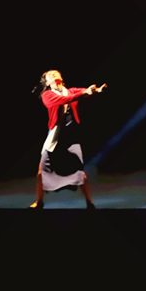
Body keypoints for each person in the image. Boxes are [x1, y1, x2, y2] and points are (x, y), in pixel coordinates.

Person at [31, 70, 106, 209]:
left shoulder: (70, 91)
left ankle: (89, 202)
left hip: (71, 137)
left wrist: (95, 90)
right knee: (42, 169)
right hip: (55, 137)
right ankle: (39, 201)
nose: (53, 74)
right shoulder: (47, 95)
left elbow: (82, 91)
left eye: (55, 73)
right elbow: (64, 100)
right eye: (50, 75)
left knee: (79, 172)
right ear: (47, 83)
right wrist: (85, 93)